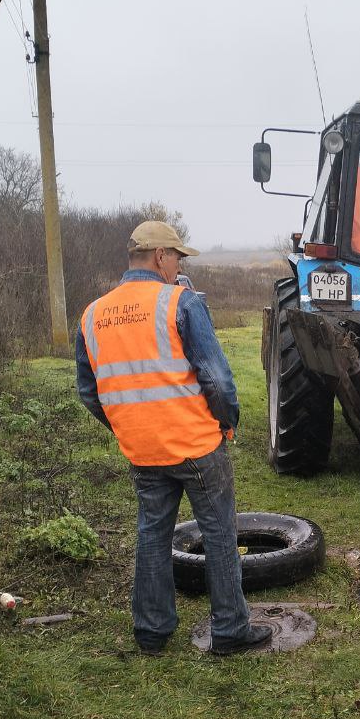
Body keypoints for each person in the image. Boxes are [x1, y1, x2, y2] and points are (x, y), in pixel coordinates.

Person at [75, 219, 273, 658]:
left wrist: (126, 425)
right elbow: (217, 379)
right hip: (196, 444)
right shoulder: (178, 302)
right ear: (161, 256)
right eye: (177, 257)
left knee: (152, 534)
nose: (178, 266)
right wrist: (227, 420)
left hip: (143, 450)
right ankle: (229, 631)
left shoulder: (92, 314)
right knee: (220, 532)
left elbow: (89, 391)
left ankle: (151, 632)